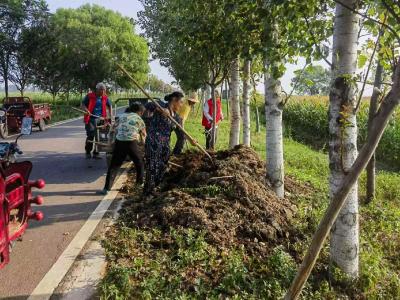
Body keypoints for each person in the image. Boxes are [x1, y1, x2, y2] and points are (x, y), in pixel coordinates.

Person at [143, 91, 186, 197]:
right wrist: (161, 109)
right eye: (180, 102)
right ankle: (148, 191)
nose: (181, 106)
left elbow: (182, 135)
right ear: (174, 100)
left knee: (163, 167)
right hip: (154, 141)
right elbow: (148, 105)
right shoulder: (161, 105)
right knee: (152, 166)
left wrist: (192, 142)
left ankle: (153, 187)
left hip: (165, 145)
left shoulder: (176, 117)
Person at [102, 102, 146, 194]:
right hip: (131, 142)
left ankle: (106, 188)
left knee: (114, 165)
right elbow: (144, 134)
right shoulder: (139, 118)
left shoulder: (121, 116)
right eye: (142, 112)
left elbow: (113, 129)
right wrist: (143, 145)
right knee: (139, 162)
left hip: (119, 142)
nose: (142, 114)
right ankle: (139, 184)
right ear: (139, 111)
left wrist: (111, 143)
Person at [81, 83, 112, 159]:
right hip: (91, 118)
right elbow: (83, 104)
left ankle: (96, 152)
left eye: (104, 90)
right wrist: (86, 110)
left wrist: (110, 116)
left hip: (101, 119)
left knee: (99, 136)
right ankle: (88, 151)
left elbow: (109, 105)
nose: (103, 92)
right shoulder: (90, 96)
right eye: (101, 90)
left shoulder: (104, 97)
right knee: (91, 135)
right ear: (97, 90)